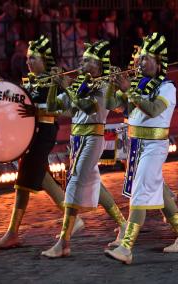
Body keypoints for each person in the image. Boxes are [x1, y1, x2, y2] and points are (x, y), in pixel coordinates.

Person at [104, 33, 178, 264]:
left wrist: (129, 90)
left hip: (155, 146)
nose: (140, 62)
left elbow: (153, 110)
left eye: (146, 58)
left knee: (141, 191)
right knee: (157, 189)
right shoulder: (136, 83)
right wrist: (112, 85)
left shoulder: (167, 87)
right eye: (140, 58)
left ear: (158, 62)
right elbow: (111, 105)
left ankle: (126, 247)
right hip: (136, 145)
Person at [0, 35, 84, 250]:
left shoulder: (55, 80)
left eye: (34, 58)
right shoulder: (30, 81)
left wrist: (38, 110)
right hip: (29, 133)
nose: (29, 62)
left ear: (45, 60)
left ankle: (15, 232)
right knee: (31, 179)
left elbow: (65, 110)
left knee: (29, 177)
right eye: (28, 58)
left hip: (45, 132)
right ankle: (15, 232)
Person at [41, 40, 127, 258]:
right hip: (77, 139)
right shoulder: (81, 84)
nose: (82, 62)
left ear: (99, 66)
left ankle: (64, 241)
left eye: (88, 60)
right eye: (83, 58)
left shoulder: (105, 85)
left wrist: (67, 86)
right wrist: (53, 84)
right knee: (94, 185)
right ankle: (123, 224)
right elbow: (54, 108)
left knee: (75, 182)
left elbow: (88, 108)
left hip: (92, 138)